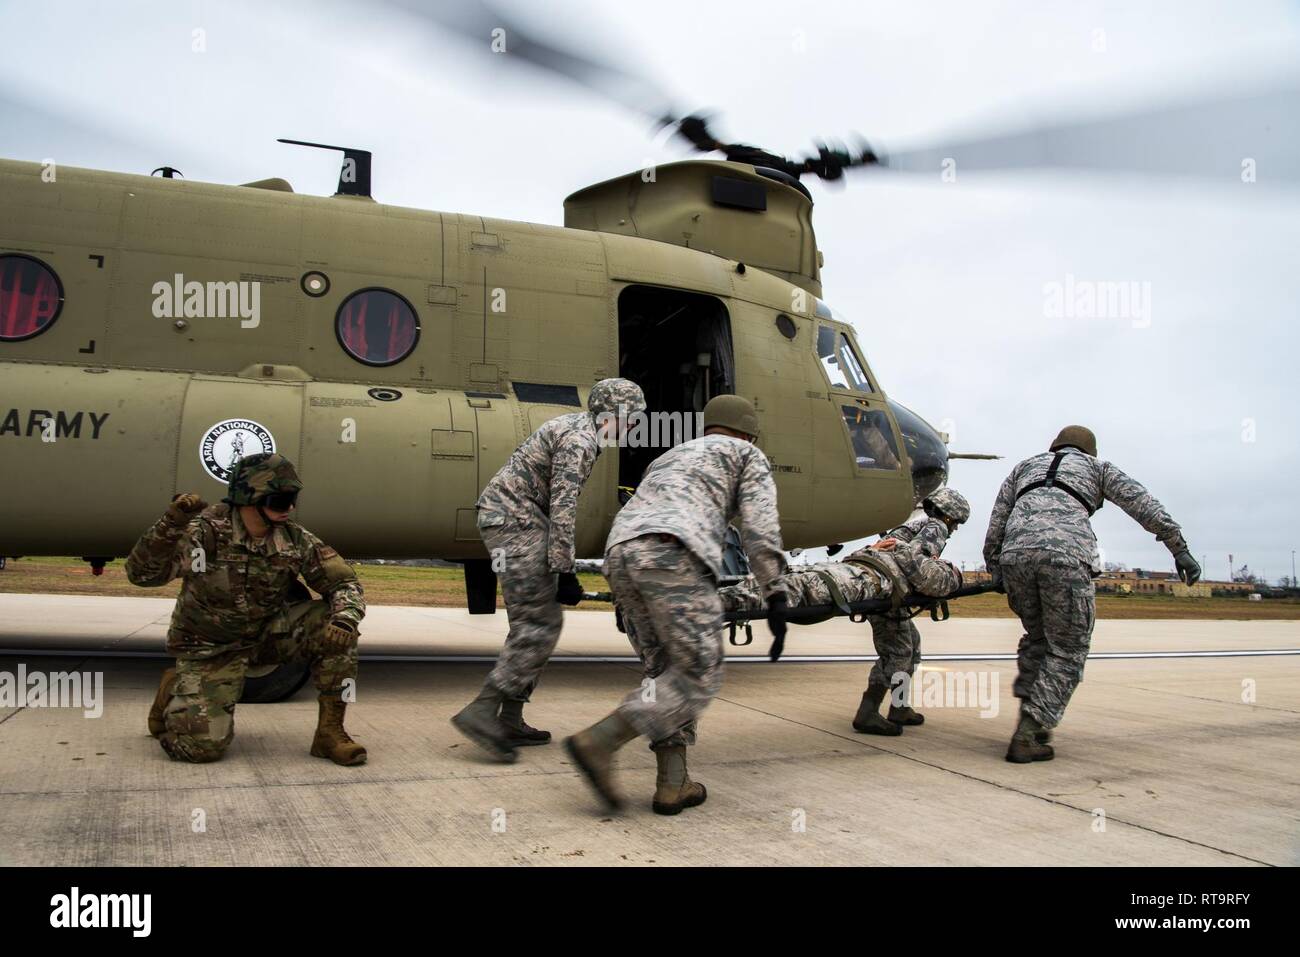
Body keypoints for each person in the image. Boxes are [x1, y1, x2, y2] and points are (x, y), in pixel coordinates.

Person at [565, 394, 787, 815]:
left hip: (621, 553)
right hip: (673, 552)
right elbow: (760, 527)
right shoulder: (746, 453)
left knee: (664, 674)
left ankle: (672, 783)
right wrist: (775, 592)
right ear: (749, 431)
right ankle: (600, 742)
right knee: (698, 676)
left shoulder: (669, 456)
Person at [451, 378, 647, 762]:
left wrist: (559, 568)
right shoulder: (581, 441)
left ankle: (509, 716)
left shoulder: (575, 427)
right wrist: (565, 569)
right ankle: (482, 711)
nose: (631, 428)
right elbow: (563, 506)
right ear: (615, 413)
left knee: (536, 621)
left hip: (518, 520)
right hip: (514, 521)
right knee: (540, 625)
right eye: (630, 419)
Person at [126, 453, 367, 765]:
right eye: (280, 501)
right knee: (200, 750)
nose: (290, 509)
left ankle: (330, 733)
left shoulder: (294, 538)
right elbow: (143, 575)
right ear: (248, 499)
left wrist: (346, 618)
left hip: (264, 637)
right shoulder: (206, 533)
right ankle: (175, 689)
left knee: (335, 627)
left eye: (292, 499)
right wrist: (171, 525)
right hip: (210, 649)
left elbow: (344, 583)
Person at [984, 425, 1200, 763]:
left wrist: (996, 568)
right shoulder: (1097, 468)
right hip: (1066, 558)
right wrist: (1178, 547)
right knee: (1068, 648)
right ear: (1090, 450)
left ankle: (1031, 698)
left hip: (1016, 556)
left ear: (1055, 446)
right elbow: (1141, 502)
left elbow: (997, 519)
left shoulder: (1024, 466)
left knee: (1038, 638)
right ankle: (1029, 731)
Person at [856, 487, 970, 735]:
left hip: (888, 591)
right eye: (956, 522)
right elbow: (916, 565)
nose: (955, 528)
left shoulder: (917, 524)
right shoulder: (935, 527)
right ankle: (867, 713)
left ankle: (899, 707)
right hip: (886, 594)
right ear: (949, 515)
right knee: (898, 651)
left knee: (912, 643)